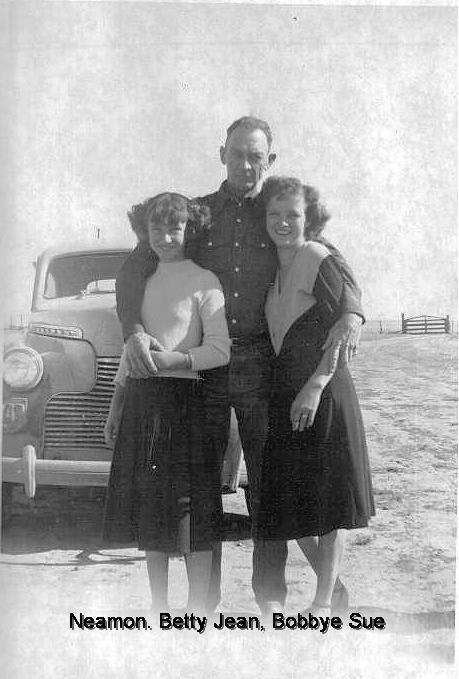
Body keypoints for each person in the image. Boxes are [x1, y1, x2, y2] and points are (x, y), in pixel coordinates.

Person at [115, 116, 365, 614]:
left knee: (267, 487)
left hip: (261, 369)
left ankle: (269, 600)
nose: (246, 164)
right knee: (199, 483)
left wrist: (353, 310)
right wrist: (135, 332)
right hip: (202, 373)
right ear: (221, 154)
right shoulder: (197, 213)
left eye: (256, 156)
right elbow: (136, 267)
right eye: (237, 154)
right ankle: (203, 607)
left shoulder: (275, 211)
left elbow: (330, 257)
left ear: (269, 161)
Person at [103, 193, 231, 613]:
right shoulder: (142, 278)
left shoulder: (205, 281)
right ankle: (159, 610)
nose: (165, 236)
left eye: (174, 227)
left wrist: (171, 361)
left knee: (191, 512)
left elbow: (220, 350)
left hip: (188, 405)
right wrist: (115, 407)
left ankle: (197, 612)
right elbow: (132, 352)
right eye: (156, 228)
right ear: (146, 232)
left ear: (189, 229)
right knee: (152, 509)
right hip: (144, 405)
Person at [257, 176, 375, 615]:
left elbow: (345, 326)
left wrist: (315, 385)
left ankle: (323, 604)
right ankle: (336, 593)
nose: (283, 223)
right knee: (284, 505)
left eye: (293, 214)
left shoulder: (317, 257)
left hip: (323, 393)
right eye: (274, 214)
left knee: (328, 504)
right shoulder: (274, 268)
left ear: (310, 219)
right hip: (288, 396)